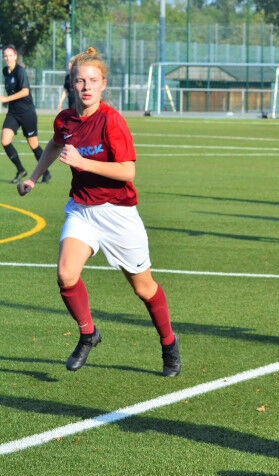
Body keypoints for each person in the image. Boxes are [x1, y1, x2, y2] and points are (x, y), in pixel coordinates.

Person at [16, 47, 181, 377]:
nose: (86, 86)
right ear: (72, 84)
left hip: (118, 213)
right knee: (66, 274)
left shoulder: (111, 120)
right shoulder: (65, 119)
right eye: (80, 80)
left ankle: (168, 342)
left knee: (144, 288)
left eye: (93, 80)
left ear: (103, 84)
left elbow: (128, 171)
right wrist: (33, 177)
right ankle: (88, 333)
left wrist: (83, 162)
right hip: (82, 209)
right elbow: (55, 143)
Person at [1, 44, 50, 184]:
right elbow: (12, 91)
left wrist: (6, 99)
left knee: (33, 144)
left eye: (11, 55)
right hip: (13, 113)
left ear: (15, 56)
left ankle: (46, 172)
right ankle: (20, 170)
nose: (8, 58)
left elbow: (25, 92)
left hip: (27, 113)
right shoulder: (5, 71)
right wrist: (6, 102)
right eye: (6, 56)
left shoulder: (20, 71)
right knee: (5, 140)